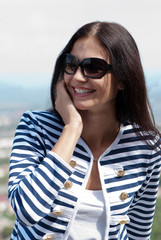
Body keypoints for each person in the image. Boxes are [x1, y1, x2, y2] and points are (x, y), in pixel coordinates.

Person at [8, 21, 161, 240]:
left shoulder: (145, 146)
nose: (77, 77)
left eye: (94, 67)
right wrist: (72, 128)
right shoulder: (36, 127)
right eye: (71, 64)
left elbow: (139, 233)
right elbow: (26, 210)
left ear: (123, 79)